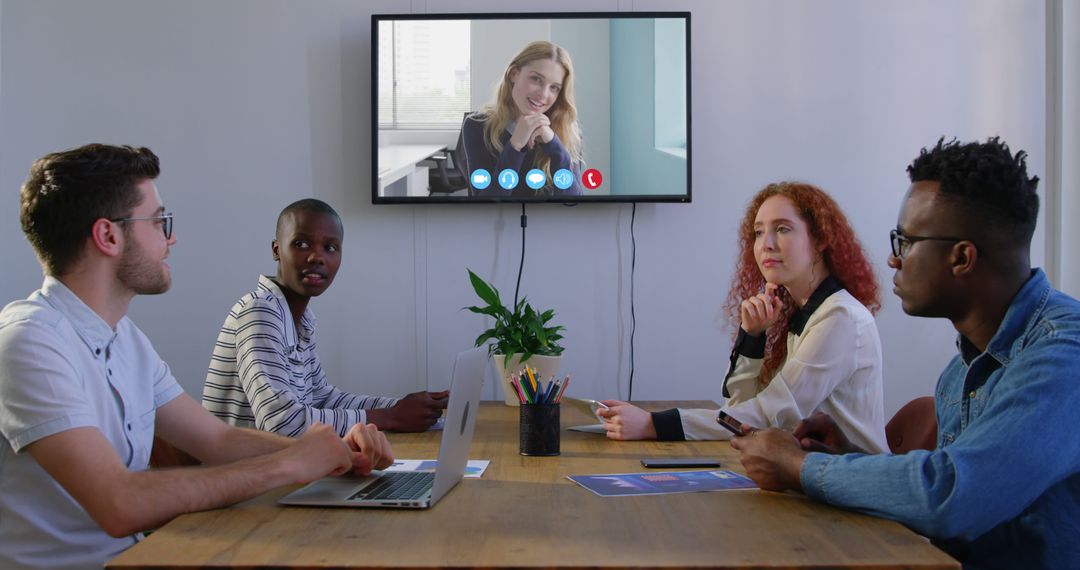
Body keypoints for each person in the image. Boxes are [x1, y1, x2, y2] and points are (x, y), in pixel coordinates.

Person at [0, 144, 393, 569]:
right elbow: (120, 503)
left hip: (139, 556)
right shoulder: (29, 342)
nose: (171, 238)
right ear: (108, 236)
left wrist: (332, 455)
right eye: (158, 221)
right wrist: (291, 463)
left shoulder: (125, 338)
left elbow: (217, 439)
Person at [731, 138, 1080, 569]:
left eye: (905, 242)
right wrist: (847, 461)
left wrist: (798, 467)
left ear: (962, 257)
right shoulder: (962, 369)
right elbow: (948, 487)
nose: (894, 261)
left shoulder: (1064, 356)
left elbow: (953, 496)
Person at [600, 182, 888, 453]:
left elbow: (768, 416)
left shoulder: (840, 318)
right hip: (819, 482)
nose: (766, 244)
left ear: (821, 239)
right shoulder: (805, 312)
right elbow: (741, 409)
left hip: (856, 494)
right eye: (759, 232)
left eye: (783, 229)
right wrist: (752, 338)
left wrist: (655, 424)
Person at [202, 199, 449, 435]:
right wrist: (391, 417)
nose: (317, 257)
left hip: (279, 467)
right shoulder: (259, 311)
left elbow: (321, 398)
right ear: (277, 250)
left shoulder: (300, 318)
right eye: (301, 244)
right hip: (243, 472)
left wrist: (407, 408)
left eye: (330, 247)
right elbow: (281, 422)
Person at [460, 40, 585, 197]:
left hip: (549, 222)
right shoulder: (477, 125)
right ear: (514, 74)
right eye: (536, 79)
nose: (544, 95)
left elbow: (573, 204)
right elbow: (485, 205)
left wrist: (555, 148)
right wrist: (515, 146)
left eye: (554, 88)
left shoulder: (567, 129)